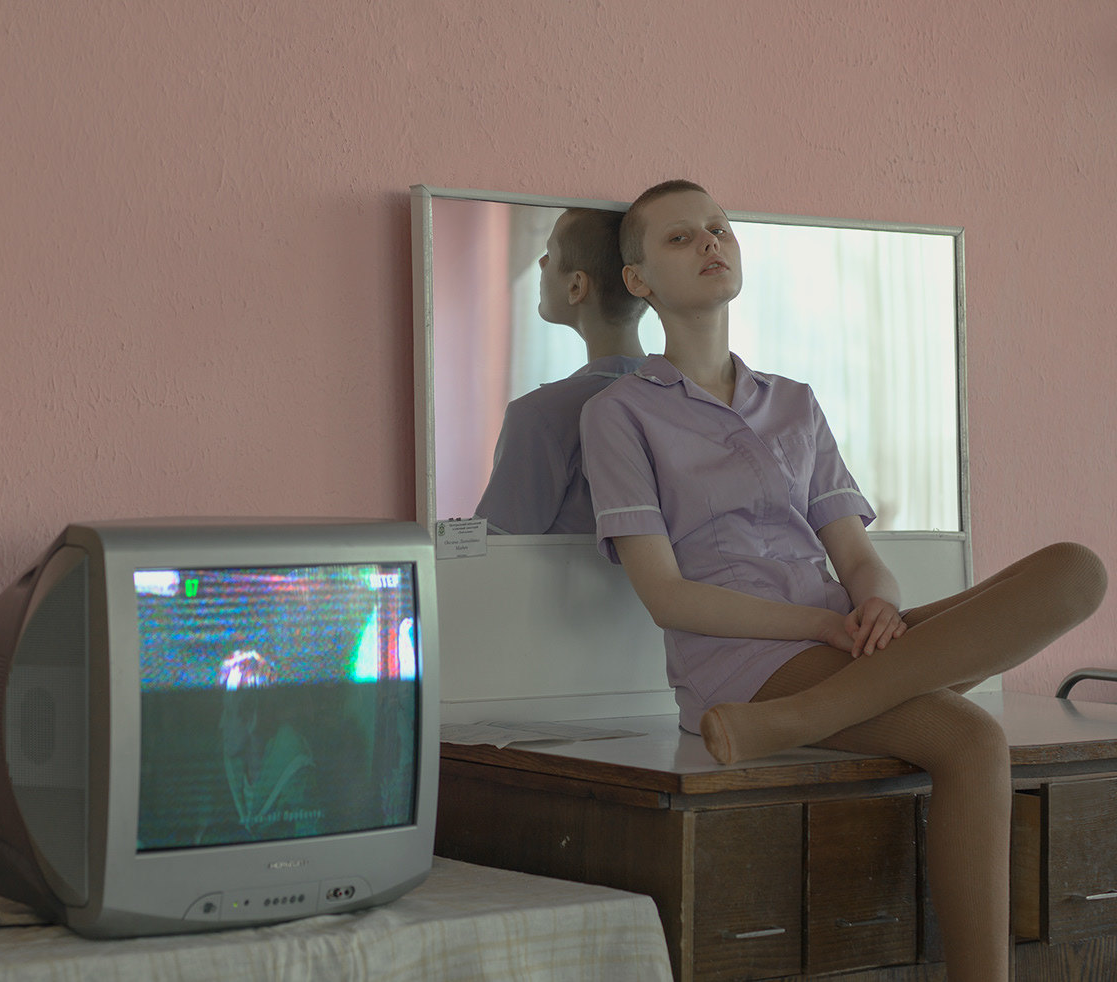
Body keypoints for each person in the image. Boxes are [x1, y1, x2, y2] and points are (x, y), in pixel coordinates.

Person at [579, 179, 1107, 982]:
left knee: (1078, 571)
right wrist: (826, 628)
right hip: (739, 660)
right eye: (681, 238)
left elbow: (857, 558)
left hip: (838, 645)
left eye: (719, 228)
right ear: (640, 280)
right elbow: (667, 596)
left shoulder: (793, 403)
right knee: (970, 736)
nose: (711, 243)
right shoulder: (620, 413)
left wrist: (876, 607)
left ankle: (794, 723)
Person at [474, 207, 648, 534]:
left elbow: (493, 556)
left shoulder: (539, 415)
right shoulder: (682, 392)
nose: (541, 263)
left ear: (575, 286)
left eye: (550, 254)